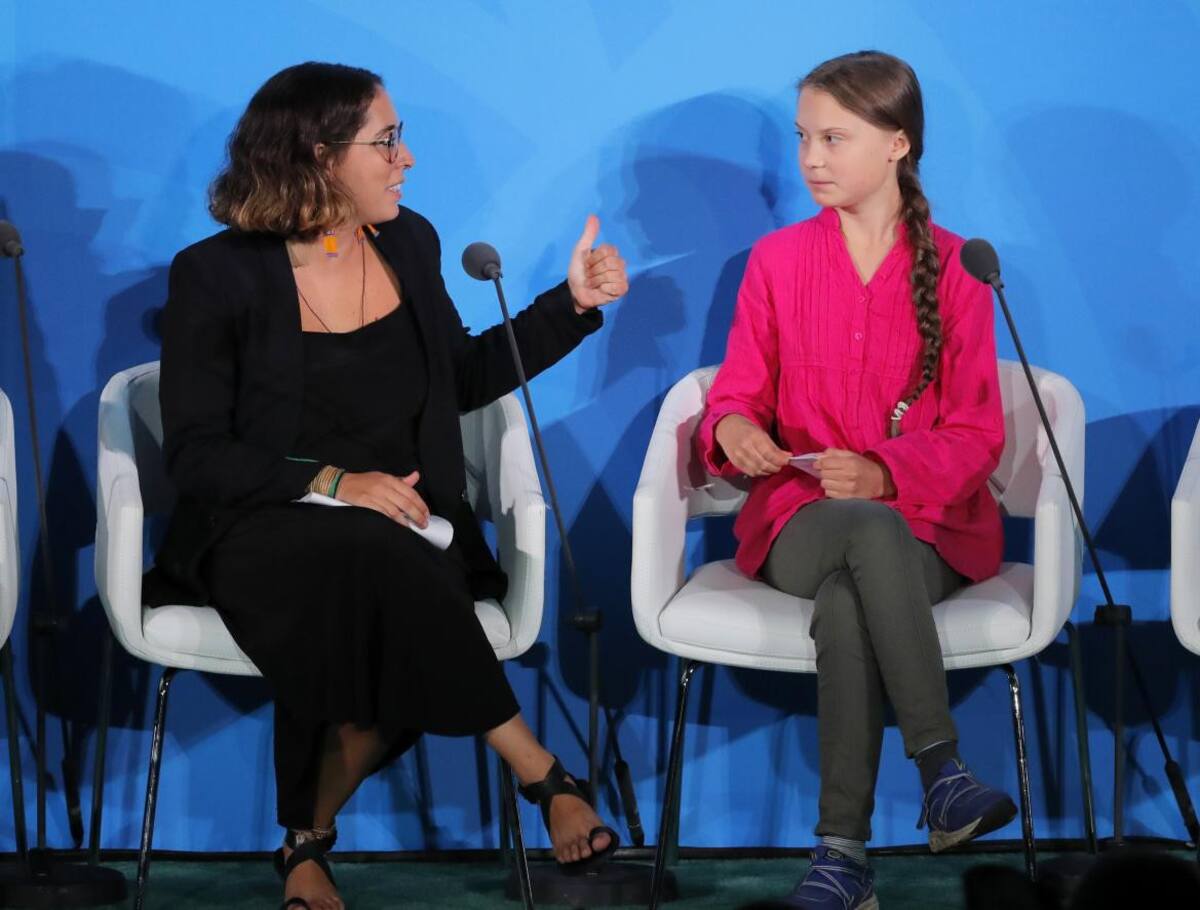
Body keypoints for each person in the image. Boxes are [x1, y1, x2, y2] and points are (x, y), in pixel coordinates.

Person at [145, 61, 628, 910]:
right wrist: (337, 482)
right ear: (319, 154)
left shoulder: (409, 242)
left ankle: (305, 841)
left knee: (386, 573)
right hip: (261, 526)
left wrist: (571, 304)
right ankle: (541, 770)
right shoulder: (215, 274)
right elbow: (197, 453)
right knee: (376, 563)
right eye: (387, 141)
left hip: (408, 523)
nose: (406, 160)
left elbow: (462, 375)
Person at [696, 51, 1017, 909]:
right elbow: (736, 394)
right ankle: (942, 771)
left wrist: (883, 471)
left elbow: (978, 434)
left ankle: (841, 860)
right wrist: (731, 427)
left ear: (897, 144)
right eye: (803, 137)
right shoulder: (776, 261)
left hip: (930, 528)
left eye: (833, 138)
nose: (811, 159)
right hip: (799, 520)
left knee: (848, 601)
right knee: (864, 535)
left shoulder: (958, 268)